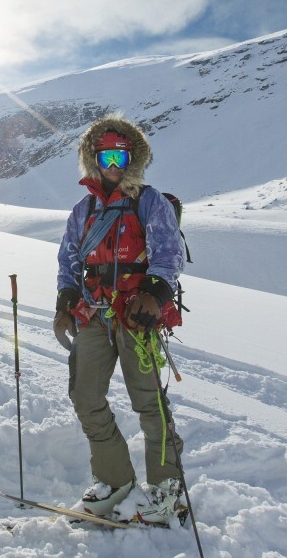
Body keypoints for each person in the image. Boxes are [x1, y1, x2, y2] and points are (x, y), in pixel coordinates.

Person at [53, 114, 188, 524]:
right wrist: (65, 300)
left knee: (149, 402)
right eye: (106, 155)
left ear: (133, 157)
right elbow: (68, 259)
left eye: (121, 155)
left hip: (137, 315)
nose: (113, 163)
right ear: (93, 159)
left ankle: (167, 489)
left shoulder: (149, 201)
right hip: (93, 313)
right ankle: (116, 482)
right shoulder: (84, 209)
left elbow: (169, 253)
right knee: (85, 395)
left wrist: (154, 293)